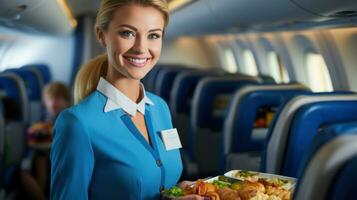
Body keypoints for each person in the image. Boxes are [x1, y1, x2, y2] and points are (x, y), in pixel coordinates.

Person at [50, 0, 204, 199]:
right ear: (102, 36)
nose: (141, 48)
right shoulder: (78, 124)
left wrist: (177, 191)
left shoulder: (160, 108)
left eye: (153, 36)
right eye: (127, 33)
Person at [29, 81, 71, 197]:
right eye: (49, 99)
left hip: (64, 156)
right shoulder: (45, 123)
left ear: (67, 101)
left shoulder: (69, 119)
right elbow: (32, 141)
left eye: (57, 99)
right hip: (48, 156)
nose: (53, 103)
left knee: (41, 156)